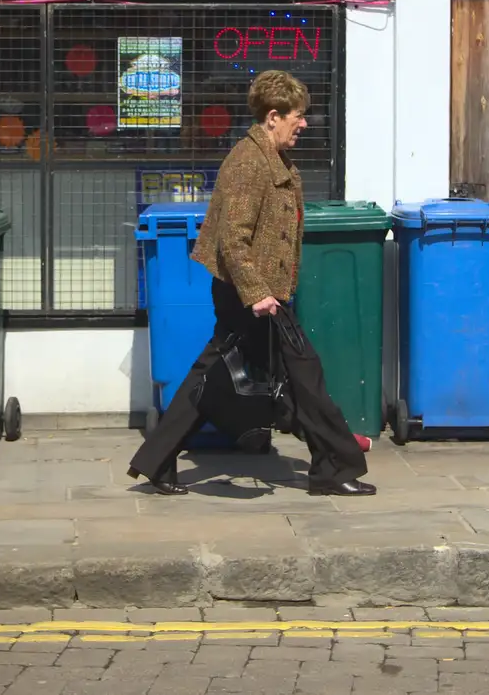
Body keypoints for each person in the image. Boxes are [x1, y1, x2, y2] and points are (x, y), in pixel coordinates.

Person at [127, 70, 375, 497]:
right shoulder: (248, 163)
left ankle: (156, 461)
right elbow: (232, 237)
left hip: (258, 291)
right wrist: (257, 292)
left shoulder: (270, 158)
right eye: (298, 116)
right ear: (273, 116)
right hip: (251, 293)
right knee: (304, 374)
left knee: (216, 374)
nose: (304, 124)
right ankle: (334, 466)